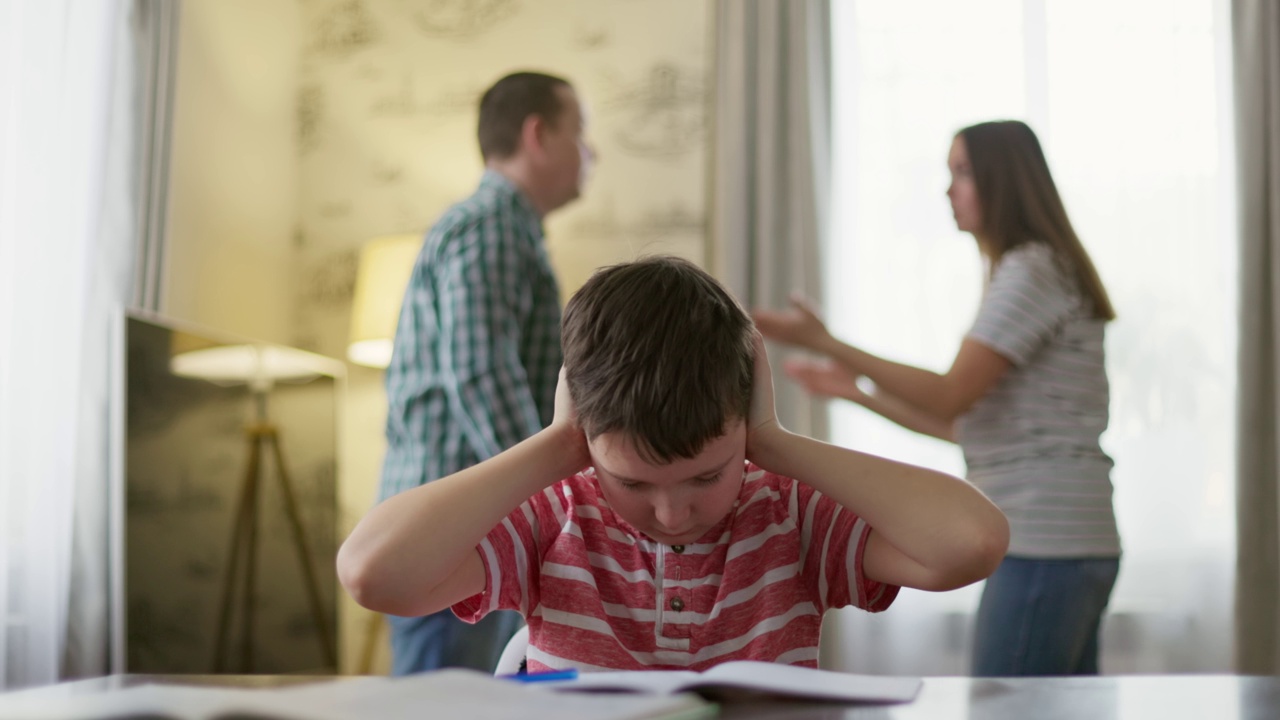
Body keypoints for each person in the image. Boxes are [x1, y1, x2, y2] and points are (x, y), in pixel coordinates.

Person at [340, 255, 1009, 672]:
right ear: (585, 435)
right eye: (632, 482)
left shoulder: (787, 513)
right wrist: (555, 445)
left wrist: (773, 442)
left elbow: (972, 544)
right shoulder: (555, 515)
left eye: (707, 475)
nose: (672, 511)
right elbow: (372, 575)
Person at [753, 120, 1121, 677]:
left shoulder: (1031, 270)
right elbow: (963, 426)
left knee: (1007, 712)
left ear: (1004, 180)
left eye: (964, 172)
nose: (950, 189)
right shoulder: (1035, 270)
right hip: (1070, 535)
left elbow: (949, 396)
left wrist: (824, 341)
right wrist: (855, 395)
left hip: (1046, 536)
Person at [377, 70, 595, 674]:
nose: (590, 153)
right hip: (458, 523)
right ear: (538, 135)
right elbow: (480, 373)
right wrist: (553, 491)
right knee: (447, 705)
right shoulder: (493, 228)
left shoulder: (503, 229)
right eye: (581, 133)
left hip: (467, 517)